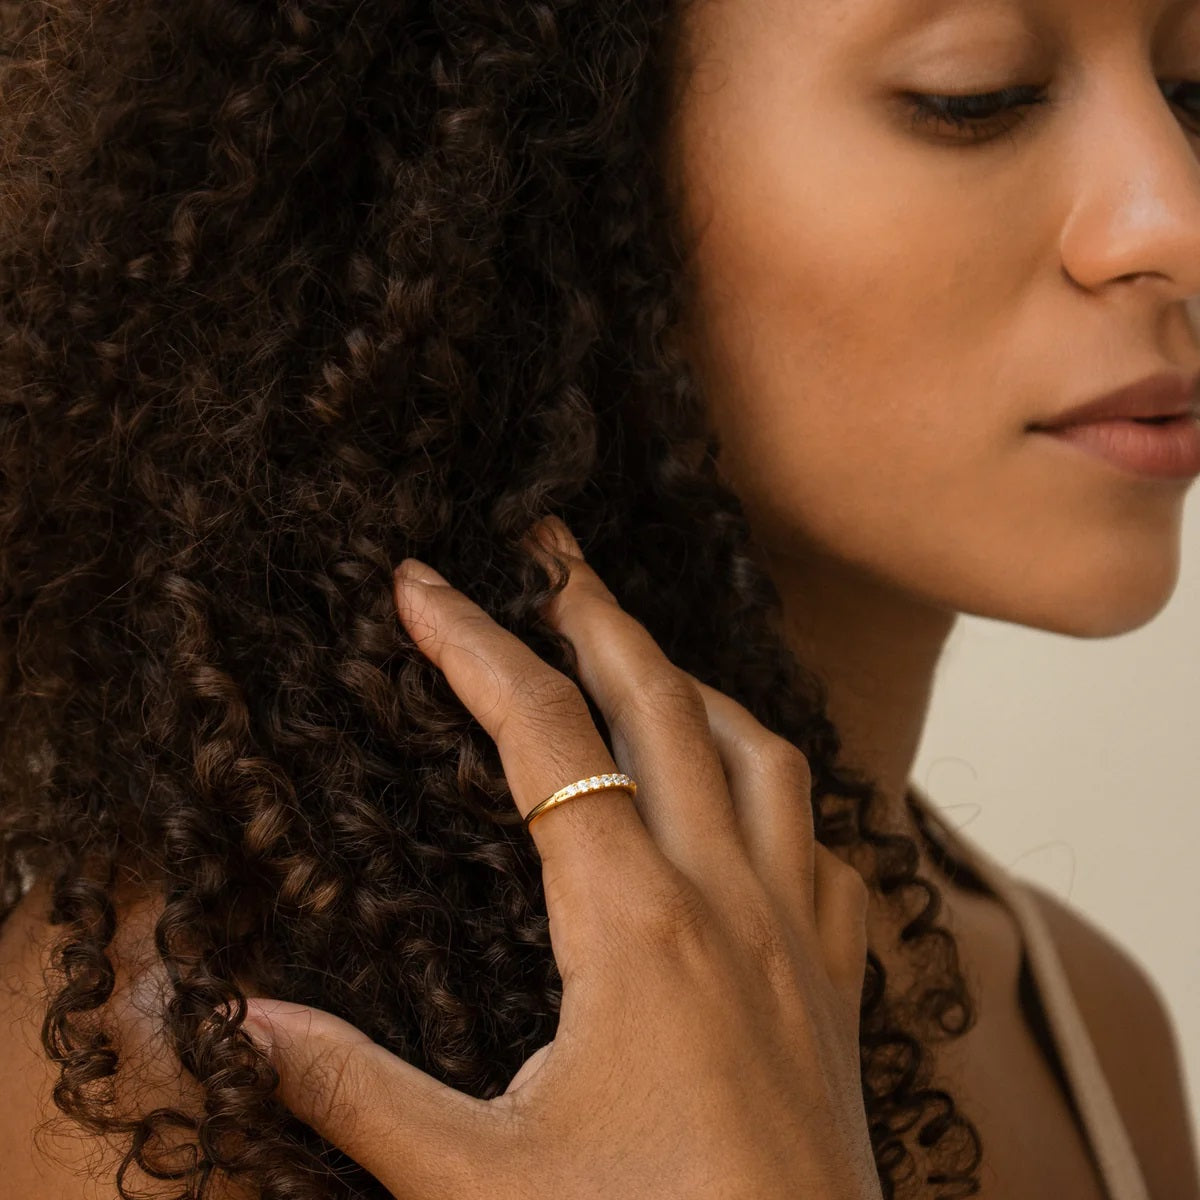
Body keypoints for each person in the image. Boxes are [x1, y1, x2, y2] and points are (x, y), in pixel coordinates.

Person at [0, 0, 1197, 1197]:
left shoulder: (1088, 1021)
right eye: (972, 96)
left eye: (1193, 91)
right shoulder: (182, 1054)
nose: (1176, 216)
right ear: (567, 171)